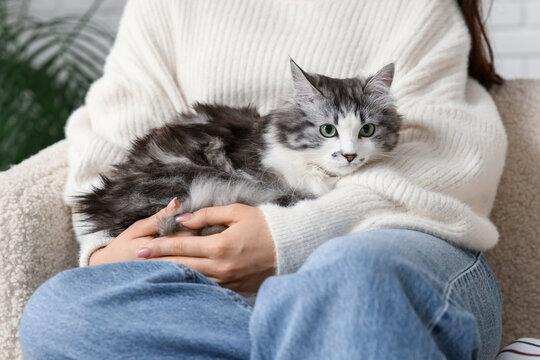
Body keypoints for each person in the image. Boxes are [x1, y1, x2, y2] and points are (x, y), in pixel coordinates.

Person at [19, 0, 507, 359]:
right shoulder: (165, 7)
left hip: (389, 248)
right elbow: (110, 142)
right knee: (60, 313)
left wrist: (290, 238)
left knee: (351, 277)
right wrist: (108, 249)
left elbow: (455, 154)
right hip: (211, 269)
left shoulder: (420, 8)